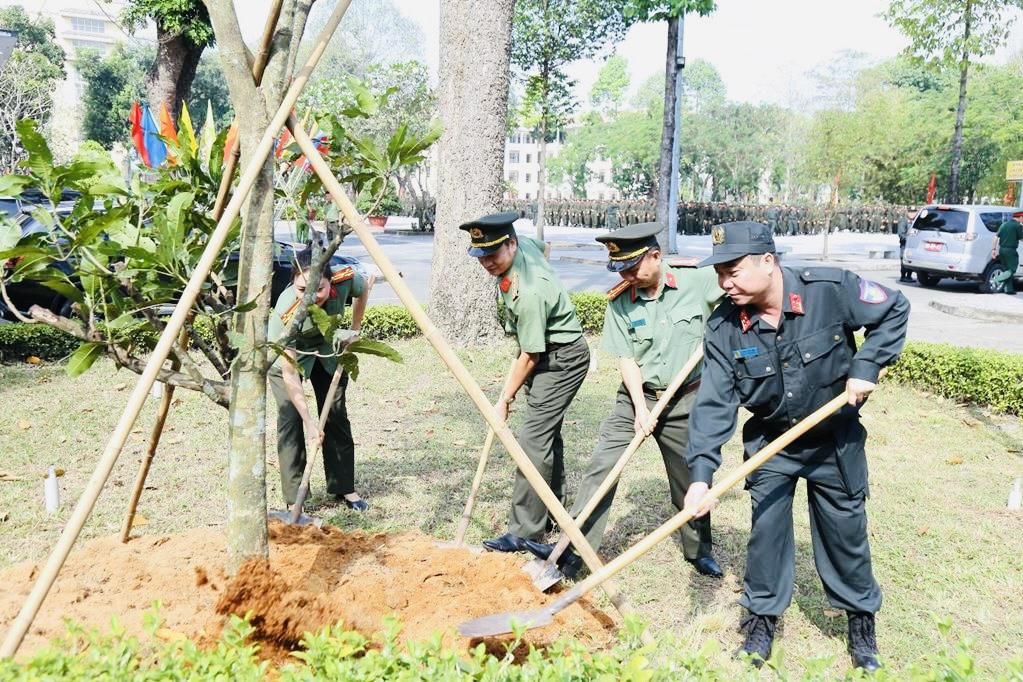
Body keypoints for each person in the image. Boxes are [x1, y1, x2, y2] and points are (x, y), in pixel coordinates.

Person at [683, 221, 909, 671]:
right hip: (773, 442)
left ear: (768, 262)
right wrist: (701, 477)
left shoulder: (829, 290)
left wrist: (866, 364)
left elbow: (895, 309)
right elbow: (713, 406)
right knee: (766, 534)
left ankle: (861, 624)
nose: (725, 283)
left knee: (846, 534)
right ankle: (762, 621)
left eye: (733, 271)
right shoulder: (725, 326)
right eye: (719, 274)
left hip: (833, 440)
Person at [522, 222, 724, 579]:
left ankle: (698, 550)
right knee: (602, 467)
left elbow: (733, 300)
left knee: (689, 476)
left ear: (656, 256)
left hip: (688, 400)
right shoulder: (620, 302)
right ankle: (574, 551)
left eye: (633, 267)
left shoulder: (698, 282)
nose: (627, 275)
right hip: (637, 397)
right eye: (621, 269)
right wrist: (641, 408)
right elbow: (627, 359)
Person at [461, 211, 590, 553]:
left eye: (493, 254)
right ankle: (553, 510)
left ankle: (523, 532)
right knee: (546, 436)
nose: (487, 262)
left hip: (561, 359)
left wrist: (504, 399)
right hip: (546, 351)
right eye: (481, 256)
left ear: (512, 244)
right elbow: (541, 247)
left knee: (532, 442)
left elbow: (530, 355)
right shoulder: (526, 249)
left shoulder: (530, 293)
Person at [267, 248, 373, 511]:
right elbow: (289, 373)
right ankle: (295, 501)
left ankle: (343, 487)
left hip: (327, 350)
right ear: (293, 283)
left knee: (336, 413)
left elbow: (364, 288)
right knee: (290, 420)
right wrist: (310, 423)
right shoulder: (286, 312)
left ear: (329, 279)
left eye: (320, 288)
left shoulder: (345, 278)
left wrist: (355, 331)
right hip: (290, 358)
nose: (312, 297)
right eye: (303, 290)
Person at [991, 211, 1023, 295]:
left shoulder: (1004, 224)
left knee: (1006, 270)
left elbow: (995, 237)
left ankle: (1008, 290)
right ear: (1020, 217)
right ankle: (997, 279)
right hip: (1011, 251)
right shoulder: (1018, 226)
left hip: (1001, 250)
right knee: (1012, 269)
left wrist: (994, 249)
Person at [897, 207, 916, 283]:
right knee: (904, 260)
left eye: (914, 212)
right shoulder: (903, 221)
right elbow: (901, 234)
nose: (912, 214)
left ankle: (909, 276)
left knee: (910, 260)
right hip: (905, 244)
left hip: (912, 246)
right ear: (907, 212)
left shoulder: (915, 221)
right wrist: (909, 240)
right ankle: (903, 276)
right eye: (910, 212)